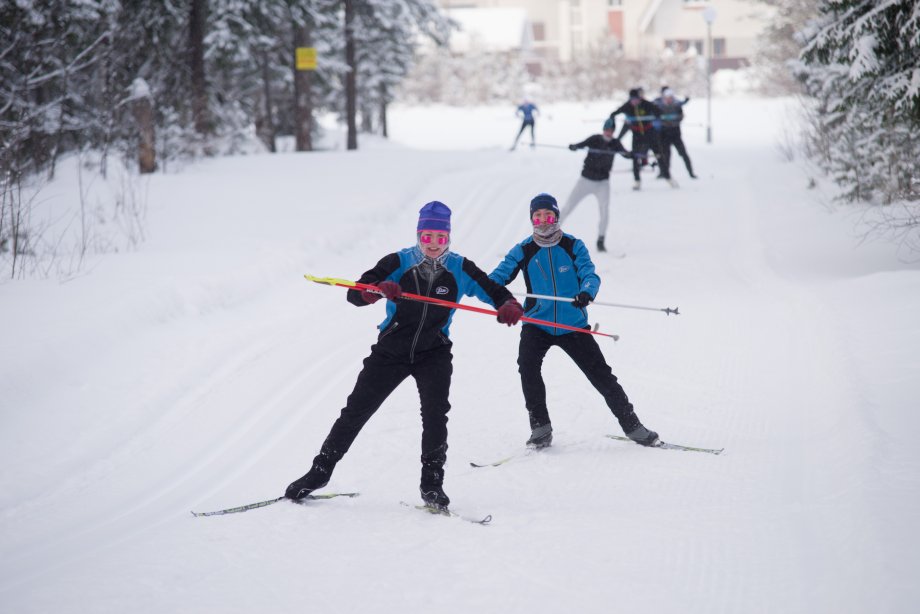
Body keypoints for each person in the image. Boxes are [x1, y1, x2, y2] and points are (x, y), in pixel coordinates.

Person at [285, 201, 524, 510]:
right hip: (391, 351)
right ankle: (319, 472)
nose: (433, 244)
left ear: (448, 236)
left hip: (434, 352)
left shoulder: (460, 267)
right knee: (356, 411)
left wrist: (508, 305)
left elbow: (493, 290)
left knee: (435, 416)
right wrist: (375, 290)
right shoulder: (398, 261)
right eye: (427, 237)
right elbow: (355, 293)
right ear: (418, 235)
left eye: (440, 237)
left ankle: (432, 485)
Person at [488, 193, 660, 451]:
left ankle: (633, 426)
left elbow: (589, 274)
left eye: (548, 215)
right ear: (532, 219)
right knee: (527, 367)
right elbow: (496, 278)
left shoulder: (573, 245)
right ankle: (540, 428)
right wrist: (495, 296)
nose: (543, 220)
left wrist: (586, 292)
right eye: (538, 216)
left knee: (601, 375)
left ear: (556, 217)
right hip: (537, 323)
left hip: (572, 324)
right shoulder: (523, 250)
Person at [561, 117, 632, 254]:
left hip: (602, 183)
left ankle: (601, 239)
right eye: (606, 130)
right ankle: (551, 233)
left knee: (604, 210)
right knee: (568, 206)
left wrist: (631, 154)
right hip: (585, 181)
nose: (608, 132)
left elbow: (625, 153)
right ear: (603, 130)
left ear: (613, 131)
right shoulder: (595, 139)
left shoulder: (615, 143)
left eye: (611, 130)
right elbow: (581, 145)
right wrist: (574, 146)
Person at [610, 88, 669, 190]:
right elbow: (614, 113)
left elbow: (659, 112)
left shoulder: (646, 104)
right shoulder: (627, 106)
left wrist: (657, 116)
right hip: (637, 135)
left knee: (659, 154)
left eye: (636, 99)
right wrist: (614, 117)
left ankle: (668, 177)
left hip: (650, 133)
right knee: (635, 157)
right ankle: (637, 181)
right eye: (632, 99)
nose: (635, 102)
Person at [654, 87, 697, 180]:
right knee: (665, 155)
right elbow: (655, 117)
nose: (669, 100)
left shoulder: (677, 105)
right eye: (667, 98)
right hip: (664, 134)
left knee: (683, 154)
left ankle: (691, 172)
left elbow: (680, 116)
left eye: (670, 98)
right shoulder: (659, 105)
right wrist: (663, 121)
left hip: (675, 134)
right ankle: (664, 173)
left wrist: (675, 120)